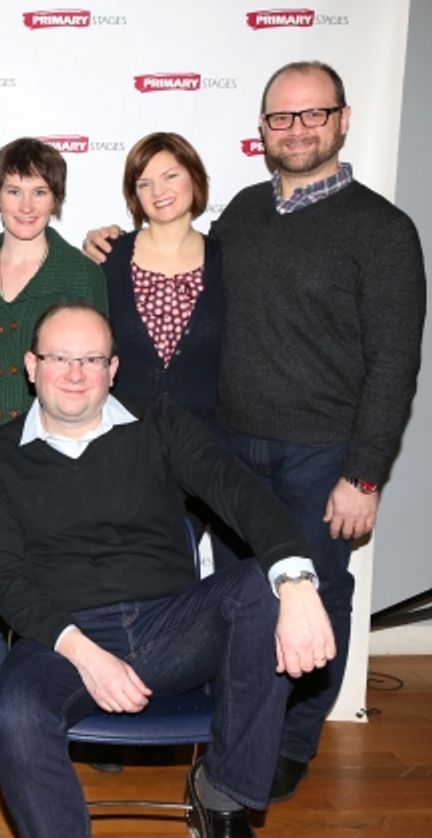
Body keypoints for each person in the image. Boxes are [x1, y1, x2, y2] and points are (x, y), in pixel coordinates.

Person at [83, 61, 426, 801]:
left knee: (315, 597)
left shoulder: (383, 230)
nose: (297, 129)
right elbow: (172, 272)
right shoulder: (240, 214)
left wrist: (364, 474)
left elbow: (396, 363)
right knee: (239, 604)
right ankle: (230, 733)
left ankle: (288, 744)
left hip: (322, 456)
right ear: (263, 130)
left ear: (342, 119)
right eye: (281, 118)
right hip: (229, 447)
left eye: (313, 114)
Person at [0, 302, 336, 838]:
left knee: (264, 583)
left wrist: (297, 581)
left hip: (172, 627)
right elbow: (3, 580)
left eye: (92, 360)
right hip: (63, 640)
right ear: (31, 366)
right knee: (16, 717)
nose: (75, 374)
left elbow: (237, 491)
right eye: (59, 358)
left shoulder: (159, 422)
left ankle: (223, 797)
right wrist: (88, 656)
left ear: (113, 370)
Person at [0, 137, 107, 772]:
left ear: (58, 200)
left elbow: (99, 374)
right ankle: (6, 730)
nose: (26, 204)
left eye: (41, 191)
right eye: (14, 189)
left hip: (59, 458)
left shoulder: (80, 273)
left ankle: (89, 718)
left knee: (69, 589)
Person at [101, 132, 221, 424]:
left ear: (194, 177)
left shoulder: (226, 259)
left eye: (170, 176)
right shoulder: (109, 257)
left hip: (206, 445)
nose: (158, 191)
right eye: (144, 183)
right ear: (135, 195)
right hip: (126, 441)